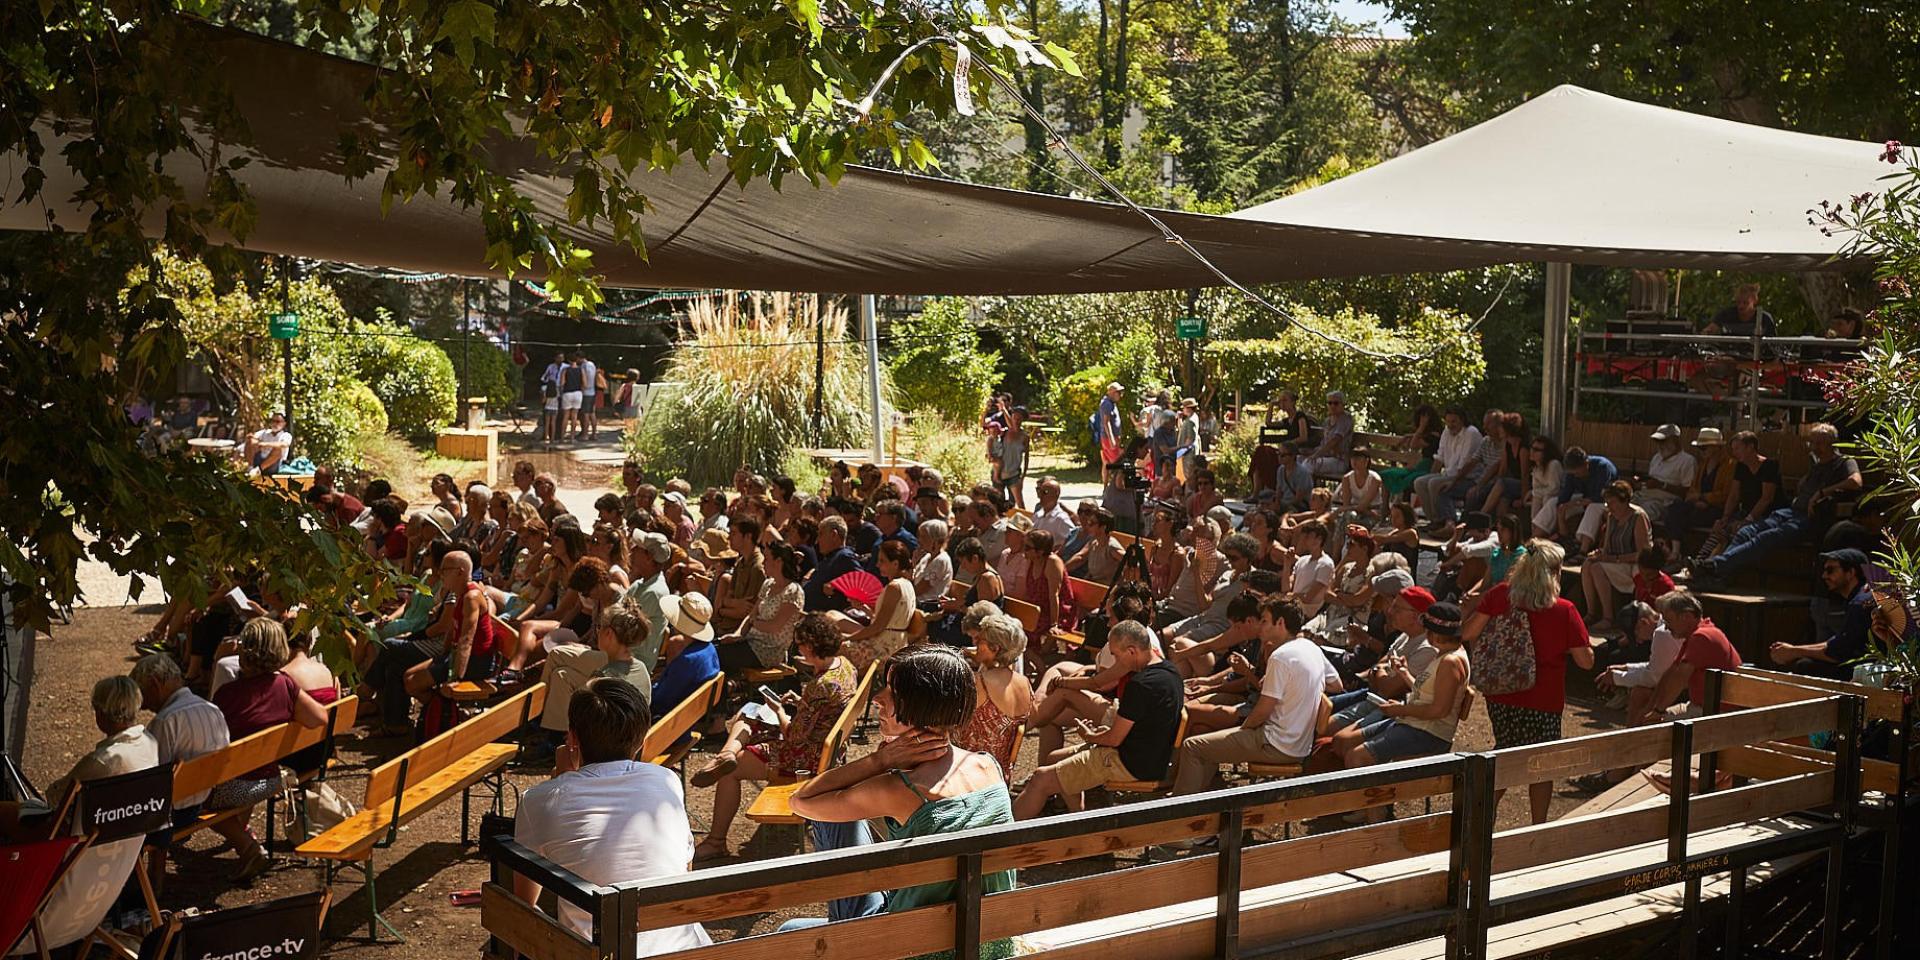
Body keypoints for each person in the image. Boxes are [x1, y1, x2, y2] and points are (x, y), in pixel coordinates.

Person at [783, 646, 1018, 957]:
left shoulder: (902, 790)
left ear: (921, 703)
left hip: (910, 947)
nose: (878, 699)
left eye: (892, 691)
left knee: (788, 932)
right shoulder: (988, 767)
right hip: (986, 940)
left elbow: (801, 800)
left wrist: (879, 760)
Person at [514, 678, 711, 954]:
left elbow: (523, 903)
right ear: (642, 739)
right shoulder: (667, 781)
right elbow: (684, 872)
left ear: (572, 737)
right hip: (686, 950)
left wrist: (562, 779)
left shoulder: (539, 800)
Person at [1, 677, 159, 951]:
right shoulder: (149, 745)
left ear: (100, 713)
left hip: (63, 856)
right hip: (108, 868)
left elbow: (55, 795)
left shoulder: (103, 763)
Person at [693, 614, 861, 861]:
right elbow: (824, 712)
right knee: (749, 714)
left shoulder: (821, 684)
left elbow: (794, 736)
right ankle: (725, 755)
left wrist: (781, 711)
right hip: (828, 751)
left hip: (807, 760)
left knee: (733, 767)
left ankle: (716, 841)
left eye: (801, 643)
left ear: (811, 645)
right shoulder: (845, 667)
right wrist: (800, 703)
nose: (798, 648)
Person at [1461, 541, 1593, 824]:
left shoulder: (1499, 595)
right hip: (1543, 698)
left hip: (1501, 693)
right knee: (1541, 764)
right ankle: (1538, 825)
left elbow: (1469, 631)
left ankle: (1481, 819)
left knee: (1505, 752)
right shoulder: (1565, 610)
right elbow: (1586, 662)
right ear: (1554, 573)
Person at [1014, 620, 1182, 817]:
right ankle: (1080, 819)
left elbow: (1113, 740)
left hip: (1128, 763)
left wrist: (1089, 736)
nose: (1115, 660)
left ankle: (997, 839)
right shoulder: (1170, 672)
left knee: (1040, 779)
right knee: (1053, 759)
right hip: (1150, 758)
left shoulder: (1139, 686)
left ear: (1131, 651)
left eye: (1116, 655)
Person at [1171, 597, 1332, 794]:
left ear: (1280, 623)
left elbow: (1262, 711)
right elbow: (1336, 684)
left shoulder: (1281, 657)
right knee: (1202, 732)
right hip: (1297, 744)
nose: (1261, 626)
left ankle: (1177, 811)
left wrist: (1241, 730)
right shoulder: (1311, 648)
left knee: (1193, 746)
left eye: (1264, 620)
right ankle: (1202, 805)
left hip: (1275, 743)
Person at [210, 619, 328, 878]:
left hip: (239, 786)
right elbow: (319, 718)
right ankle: (242, 835)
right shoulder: (285, 685)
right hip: (272, 780)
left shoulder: (227, 695)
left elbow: (212, 745)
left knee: (196, 799)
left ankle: (248, 847)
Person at [1695, 424, 1862, 582]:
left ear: (1831, 443)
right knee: (1746, 531)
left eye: (1818, 443)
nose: (1813, 446)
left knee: (1765, 537)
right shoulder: (1817, 464)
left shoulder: (1843, 462)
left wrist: (1822, 493)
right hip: (1790, 511)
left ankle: (1715, 565)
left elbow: (1855, 482)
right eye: (1812, 442)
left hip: (1810, 517)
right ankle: (1716, 569)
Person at [1330, 601, 1470, 776]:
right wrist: (1404, 673)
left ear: (1435, 634)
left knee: (1356, 758)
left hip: (1428, 733)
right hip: (1412, 722)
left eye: (1428, 630)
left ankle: (1377, 801)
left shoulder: (1450, 662)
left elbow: (1439, 710)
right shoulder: (1443, 655)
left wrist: (1401, 709)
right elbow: (1426, 693)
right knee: (1342, 741)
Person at [130, 653, 228, 892]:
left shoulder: (165, 721)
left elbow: (154, 781)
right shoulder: (212, 709)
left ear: (155, 684)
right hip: (206, 797)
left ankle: (142, 885)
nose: (142, 704)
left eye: (142, 694)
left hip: (177, 813)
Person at [529, 596, 656, 766]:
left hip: (606, 752)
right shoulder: (640, 667)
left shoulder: (601, 679)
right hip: (629, 741)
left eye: (598, 627)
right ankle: (551, 736)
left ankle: (544, 728)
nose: (596, 632)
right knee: (562, 674)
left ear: (609, 634)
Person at [1767, 548, 1879, 680]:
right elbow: (1836, 643)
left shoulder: (1859, 603)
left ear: (1851, 572)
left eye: (1830, 570)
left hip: (1870, 670)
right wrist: (1792, 650)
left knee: (1805, 666)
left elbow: (1836, 653)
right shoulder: (1861, 597)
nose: (1824, 576)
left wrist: (1794, 652)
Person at [715, 539, 807, 674]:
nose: (763, 562)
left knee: (717, 655)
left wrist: (753, 622)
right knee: (712, 647)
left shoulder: (793, 591)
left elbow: (775, 627)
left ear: (779, 562)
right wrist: (737, 634)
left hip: (768, 651)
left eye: (767, 559)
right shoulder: (768, 584)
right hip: (750, 641)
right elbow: (751, 614)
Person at [825, 540, 917, 670]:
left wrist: (849, 638)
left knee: (835, 645)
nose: (877, 565)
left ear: (895, 564)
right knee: (832, 617)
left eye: (882, 561)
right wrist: (863, 608)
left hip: (884, 648)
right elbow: (887, 621)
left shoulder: (894, 587)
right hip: (891, 642)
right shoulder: (906, 584)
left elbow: (878, 627)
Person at [957, 614, 1033, 773]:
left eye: (980, 639)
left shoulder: (979, 682)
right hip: (999, 775)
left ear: (995, 648)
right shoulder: (1024, 683)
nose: (975, 642)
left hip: (967, 771)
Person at [1693, 430, 1778, 563]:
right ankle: (1700, 561)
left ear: (1750, 447)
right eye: (1733, 449)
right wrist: (1725, 517)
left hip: (1767, 515)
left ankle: (1715, 564)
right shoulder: (1741, 466)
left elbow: (1766, 498)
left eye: (1738, 448)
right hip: (1744, 513)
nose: (1735, 453)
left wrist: (1748, 519)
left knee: (1736, 531)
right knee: (1720, 527)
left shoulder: (1770, 466)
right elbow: (1734, 495)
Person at [1579, 481, 1653, 632]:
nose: (1608, 506)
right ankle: (1591, 613)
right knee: (1588, 564)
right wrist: (1599, 554)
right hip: (1616, 562)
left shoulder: (1638, 517)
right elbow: (1607, 548)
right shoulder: (1612, 517)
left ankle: (1608, 618)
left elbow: (1643, 554)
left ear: (1624, 500)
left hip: (1633, 565)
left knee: (1598, 568)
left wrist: (1614, 559)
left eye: (1612, 502)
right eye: (1607, 503)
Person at [1662, 427, 1731, 559]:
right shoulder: (1703, 464)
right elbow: (1693, 488)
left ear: (1716, 447)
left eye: (1704, 448)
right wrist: (1696, 500)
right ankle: (1676, 551)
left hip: (1717, 508)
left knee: (1678, 518)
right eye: (1700, 448)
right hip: (1698, 505)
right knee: (1674, 508)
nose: (1701, 451)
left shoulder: (1729, 465)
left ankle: (1677, 553)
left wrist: (1704, 498)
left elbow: (1726, 494)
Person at [1413, 407, 1483, 531]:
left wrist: (1451, 482)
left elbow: (1465, 467)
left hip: (1467, 478)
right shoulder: (1446, 431)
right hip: (1449, 474)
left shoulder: (1471, 433)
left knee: (1434, 484)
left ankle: (1444, 521)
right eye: (1448, 422)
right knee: (1420, 482)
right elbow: (1440, 458)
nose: (1450, 425)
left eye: (1454, 421)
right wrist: (1430, 476)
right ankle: (1434, 520)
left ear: (1462, 420)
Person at [651, 593, 722, 714]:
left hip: (669, 720)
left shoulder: (687, 661)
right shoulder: (709, 648)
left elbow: (660, 700)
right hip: (688, 716)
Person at [1553, 447, 1619, 546]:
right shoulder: (1572, 474)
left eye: (1577, 473)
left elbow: (1600, 496)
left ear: (1586, 463)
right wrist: (1561, 508)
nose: (1575, 476)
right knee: (1553, 502)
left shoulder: (1602, 467)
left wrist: (1574, 503)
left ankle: (1583, 547)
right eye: (1573, 473)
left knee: (1592, 507)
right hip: (1585, 499)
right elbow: (1565, 494)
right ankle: (1540, 535)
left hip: (1607, 501)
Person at [1380, 404, 1441, 502]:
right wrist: (1408, 436)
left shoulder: (1435, 436)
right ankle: (1385, 509)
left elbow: (1413, 445)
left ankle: (1402, 509)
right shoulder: (1427, 434)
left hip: (1427, 469)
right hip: (1419, 467)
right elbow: (1419, 437)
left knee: (1405, 481)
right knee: (1386, 474)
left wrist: (1421, 427)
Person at [1306, 391, 1355, 477]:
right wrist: (1310, 452)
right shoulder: (1328, 421)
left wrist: (1316, 455)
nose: (1332, 406)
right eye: (1330, 403)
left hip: (1339, 461)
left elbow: (1334, 441)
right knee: (1298, 459)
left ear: (1342, 404)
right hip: (1326, 457)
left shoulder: (1345, 419)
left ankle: (1302, 489)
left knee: (1310, 463)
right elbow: (1324, 443)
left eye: (1336, 403)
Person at [1702, 282, 1776, 338]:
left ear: (1754, 301)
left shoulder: (1765, 318)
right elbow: (1710, 329)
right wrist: (1707, 332)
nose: (1741, 306)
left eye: (1745, 303)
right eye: (1738, 302)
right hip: (1727, 356)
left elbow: (1773, 344)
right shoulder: (1726, 315)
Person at [1526, 435, 1566, 538]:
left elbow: (1554, 488)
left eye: (1537, 450)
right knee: (1536, 499)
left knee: (1546, 499)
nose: (1532, 451)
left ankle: (1540, 534)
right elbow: (1536, 489)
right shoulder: (1536, 467)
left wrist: (1536, 493)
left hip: (1559, 496)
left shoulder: (1553, 465)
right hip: (1543, 496)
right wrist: (1534, 494)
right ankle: (1534, 532)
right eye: (1532, 448)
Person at [1028, 477, 1076, 545]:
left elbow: (1073, 539)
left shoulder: (1060, 518)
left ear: (1056, 494)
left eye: (1045, 492)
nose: (1041, 495)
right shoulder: (1037, 515)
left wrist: (1057, 551)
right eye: (1039, 491)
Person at [1270, 442, 1315, 512]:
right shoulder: (1281, 470)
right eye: (1278, 454)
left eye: (1283, 455)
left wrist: (1282, 507)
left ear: (1292, 456)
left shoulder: (1302, 473)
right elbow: (1279, 490)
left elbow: (1298, 499)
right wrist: (1276, 503)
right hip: (1284, 502)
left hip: (1299, 506)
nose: (1279, 457)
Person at [1096, 381, 1125, 485]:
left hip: (1111, 437)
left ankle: (1106, 486)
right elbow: (1106, 422)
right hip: (1108, 438)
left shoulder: (1111, 403)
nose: (1120, 395)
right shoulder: (1107, 404)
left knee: (1107, 462)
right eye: (1118, 392)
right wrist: (1111, 438)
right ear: (1112, 392)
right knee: (1115, 462)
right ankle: (1114, 485)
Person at [558, 351, 587, 440]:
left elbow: (562, 383)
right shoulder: (581, 370)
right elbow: (585, 384)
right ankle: (572, 437)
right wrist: (581, 390)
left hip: (567, 393)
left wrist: (561, 391)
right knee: (575, 416)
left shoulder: (565, 370)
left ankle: (562, 437)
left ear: (569, 361)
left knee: (566, 416)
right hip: (578, 393)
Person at [576, 350, 600, 439]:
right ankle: (594, 433)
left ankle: (585, 434)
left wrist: (582, 388)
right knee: (592, 413)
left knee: (585, 414)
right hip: (592, 392)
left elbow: (586, 380)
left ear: (579, 358)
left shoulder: (584, 366)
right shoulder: (592, 364)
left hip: (586, 393)